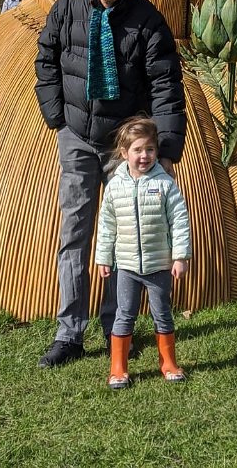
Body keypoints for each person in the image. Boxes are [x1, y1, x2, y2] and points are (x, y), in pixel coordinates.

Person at [35, 0, 186, 368]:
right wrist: (56, 117)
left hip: (124, 144)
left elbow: (165, 86)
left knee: (124, 237)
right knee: (75, 233)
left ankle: (115, 325)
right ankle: (69, 334)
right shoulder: (67, 9)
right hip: (77, 136)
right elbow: (46, 58)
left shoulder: (147, 20)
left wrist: (167, 147)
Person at [95, 115, 191, 389]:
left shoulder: (165, 184)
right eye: (137, 150)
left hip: (159, 264)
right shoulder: (115, 187)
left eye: (150, 149)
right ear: (124, 153)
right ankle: (118, 368)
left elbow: (180, 221)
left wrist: (180, 256)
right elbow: (107, 225)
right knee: (124, 314)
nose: (144, 156)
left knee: (162, 313)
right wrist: (104, 258)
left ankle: (168, 363)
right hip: (125, 266)